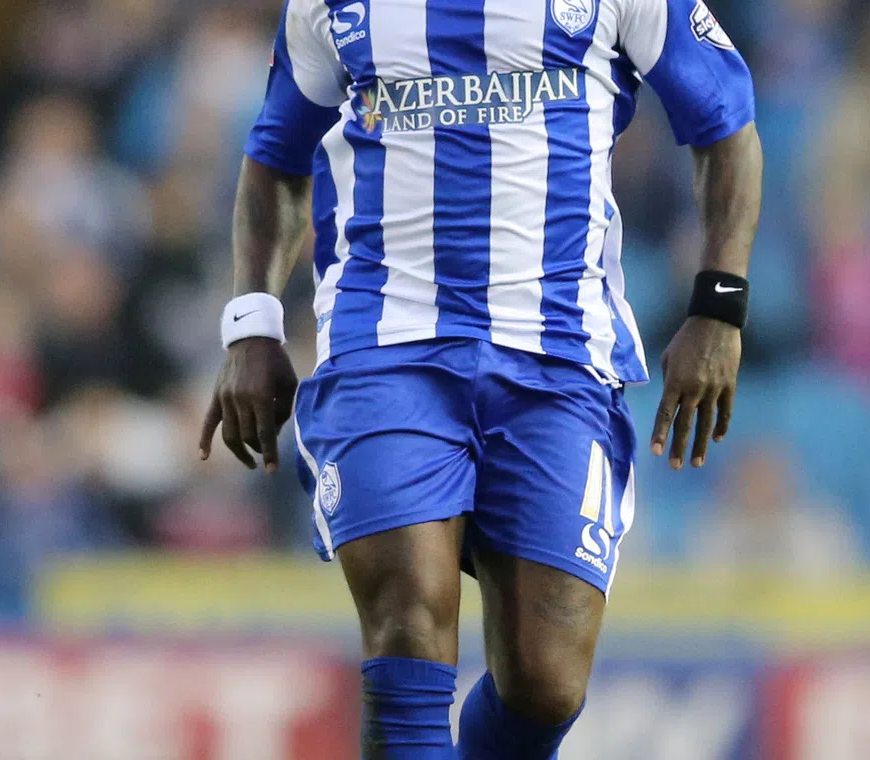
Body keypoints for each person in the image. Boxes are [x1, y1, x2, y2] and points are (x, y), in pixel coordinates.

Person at [198, 0, 762, 756]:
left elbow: (727, 128)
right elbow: (275, 157)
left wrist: (718, 309)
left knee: (545, 680)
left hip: (559, 357)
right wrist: (253, 323)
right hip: (386, 347)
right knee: (408, 616)